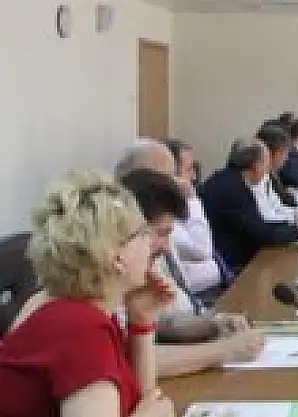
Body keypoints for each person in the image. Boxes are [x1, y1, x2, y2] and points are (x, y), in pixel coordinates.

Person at [0, 170, 175, 417]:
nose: (152, 244)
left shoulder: (82, 310)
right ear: (117, 256)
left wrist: (142, 319)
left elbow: (139, 401)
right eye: (143, 233)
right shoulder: (79, 328)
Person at [120, 169, 264, 378]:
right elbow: (130, 360)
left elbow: (162, 324)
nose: (166, 248)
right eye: (161, 233)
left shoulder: (146, 264)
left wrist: (212, 325)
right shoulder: (104, 284)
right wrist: (226, 350)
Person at [200, 138, 298, 269]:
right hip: (234, 267)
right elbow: (263, 236)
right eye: (266, 166)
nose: (267, 172)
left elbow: (260, 226)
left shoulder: (229, 179)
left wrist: (295, 225)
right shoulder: (233, 190)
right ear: (256, 167)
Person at [161, 139, 230, 301]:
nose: (193, 176)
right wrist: (192, 199)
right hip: (199, 296)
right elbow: (202, 250)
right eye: (189, 169)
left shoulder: (176, 205)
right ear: (170, 175)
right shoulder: (161, 217)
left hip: (214, 285)